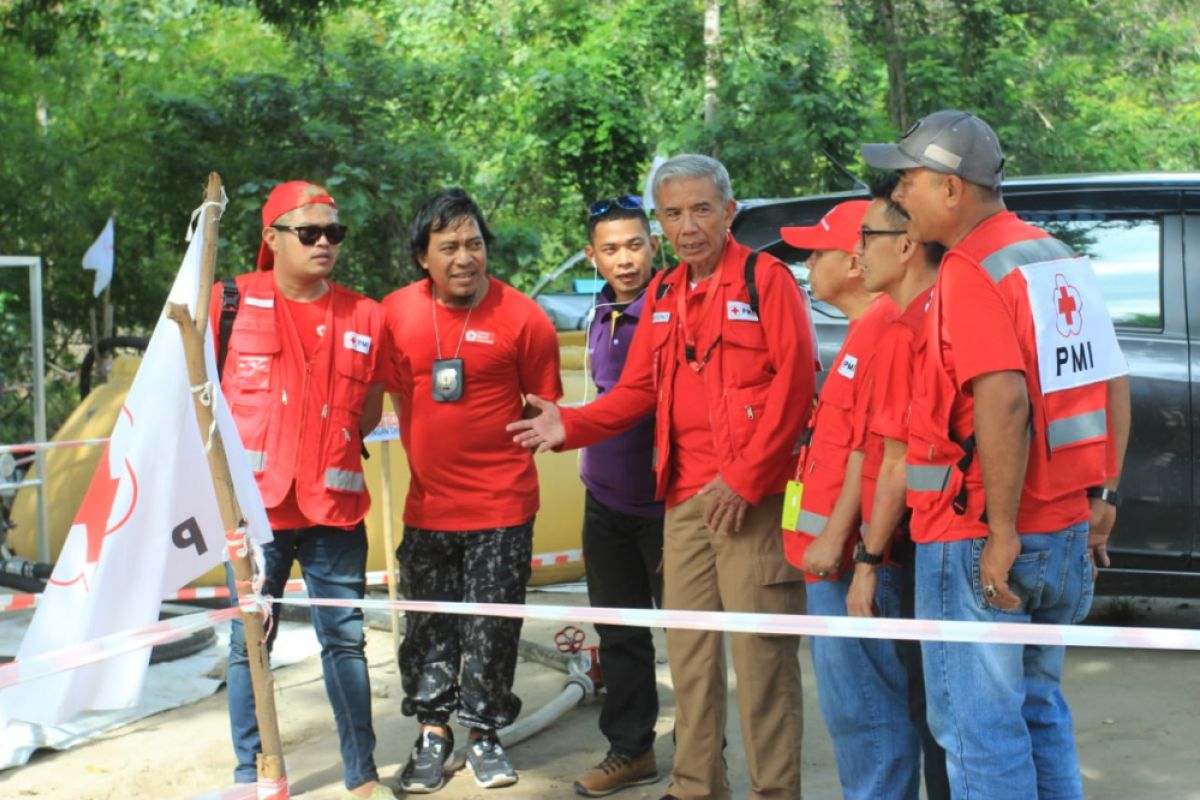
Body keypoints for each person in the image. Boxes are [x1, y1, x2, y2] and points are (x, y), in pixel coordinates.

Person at [508, 154, 815, 800]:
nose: (688, 225)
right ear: (660, 223)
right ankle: (698, 785)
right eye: (672, 213)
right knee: (692, 660)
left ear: (729, 213)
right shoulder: (668, 293)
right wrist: (572, 424)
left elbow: (794, 389)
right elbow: (638, 389)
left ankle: (775, 793)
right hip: (682, 502)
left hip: (750, 501)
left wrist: (745, 479)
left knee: (763, 663)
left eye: (702, 208)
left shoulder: (767, 280)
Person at [862, 110, 1131, 798]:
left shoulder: (969, 268)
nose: (897, 196)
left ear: (952, 188)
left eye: (909, 180)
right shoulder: (1056, 255)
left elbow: (1004, 400)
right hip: (1064, 527)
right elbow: (1111, 380)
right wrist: (1103, 496)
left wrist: (1001, 533)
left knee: (979, 735)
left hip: (979, 534)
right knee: (1038, 713)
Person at [213, 180, 392, 800]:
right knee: (249, 643)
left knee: (344, 641)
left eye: (333, 233)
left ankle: (361, 774)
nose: (324, 244)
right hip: (254, 509)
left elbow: (369, 411)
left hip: (334, 510)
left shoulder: (366, 314)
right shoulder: (228, 300)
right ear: (272, 237)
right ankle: (252, 773)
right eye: (308, 232)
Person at [382, 188, 562, 793]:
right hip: (428, 506)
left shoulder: (524, 318)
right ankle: (433, 734)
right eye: (449, 246)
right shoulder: (395, 314)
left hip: (503, 507)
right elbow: (373, 394)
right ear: (422, 257)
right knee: (429, 627)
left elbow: (547, 408)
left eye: (475, 243)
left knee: (492, 626)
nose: (465, 257)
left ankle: (484, 733)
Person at [778, 199, 919, 799]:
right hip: (829, 559)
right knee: (854, 711)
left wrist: (842, 543)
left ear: (857, 259)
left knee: (867, 712)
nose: (807, 262)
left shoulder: (887, 328)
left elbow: (879, 453)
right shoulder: (868, 329)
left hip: (849, 563)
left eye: (817, 250)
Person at [843, 173, 950, 800]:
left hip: (930, 548)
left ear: (907, 245)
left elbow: (896, 461)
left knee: (943, 717)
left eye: (867, 237)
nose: (857, 253)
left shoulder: (915, 329)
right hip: (934, 541)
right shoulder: (918, 318)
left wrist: (867, 559)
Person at [571, 195, 666, 798]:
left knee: (691, 638)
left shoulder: (675, 305)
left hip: (667, 503)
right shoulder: (598, 310)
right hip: (603, 497)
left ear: (652, 244)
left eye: (634, 245)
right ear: (592, 255)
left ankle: (708, 759)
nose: (624, 260)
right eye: (610, 249)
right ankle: (631, 750)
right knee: (620, 634)